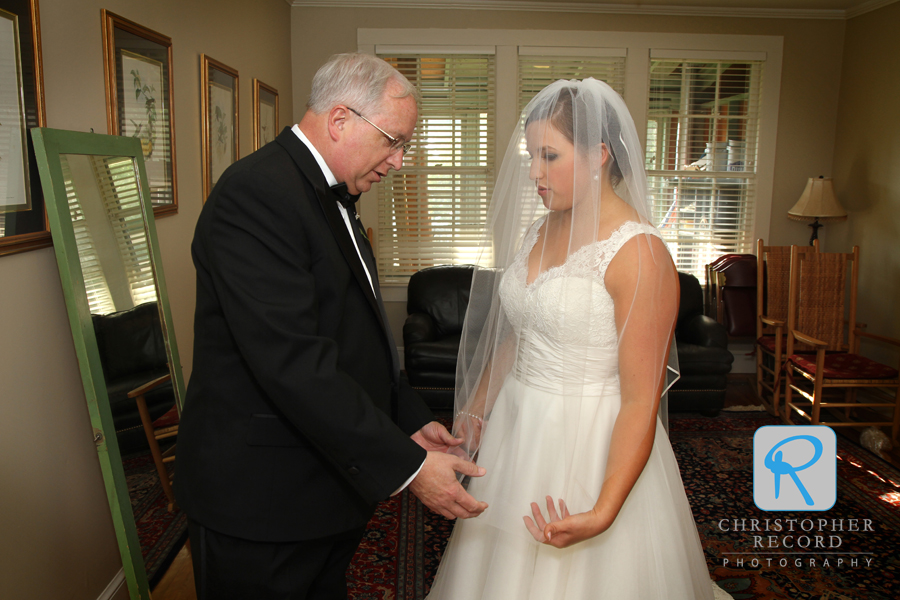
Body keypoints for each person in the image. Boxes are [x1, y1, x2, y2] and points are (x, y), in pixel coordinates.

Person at [175, 53, 487, 600]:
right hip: (261, 505)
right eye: (393, 140)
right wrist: (411, 468)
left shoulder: (331, 190)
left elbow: (352, 333)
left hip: (318, 495)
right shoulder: (257, 194)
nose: (398, 161)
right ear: (340, 121)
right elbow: (295, 365)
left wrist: (409, 418)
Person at [426, 79, 730, 599]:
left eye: (549, 155)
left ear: (599, 155)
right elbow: (519, 335)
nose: (533, 173)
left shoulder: (639, 254)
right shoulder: (538, 231)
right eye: (531, 155)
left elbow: (641, 400)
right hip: (519, 430)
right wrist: (477, 409)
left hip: (590, 443)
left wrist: (605, 509)